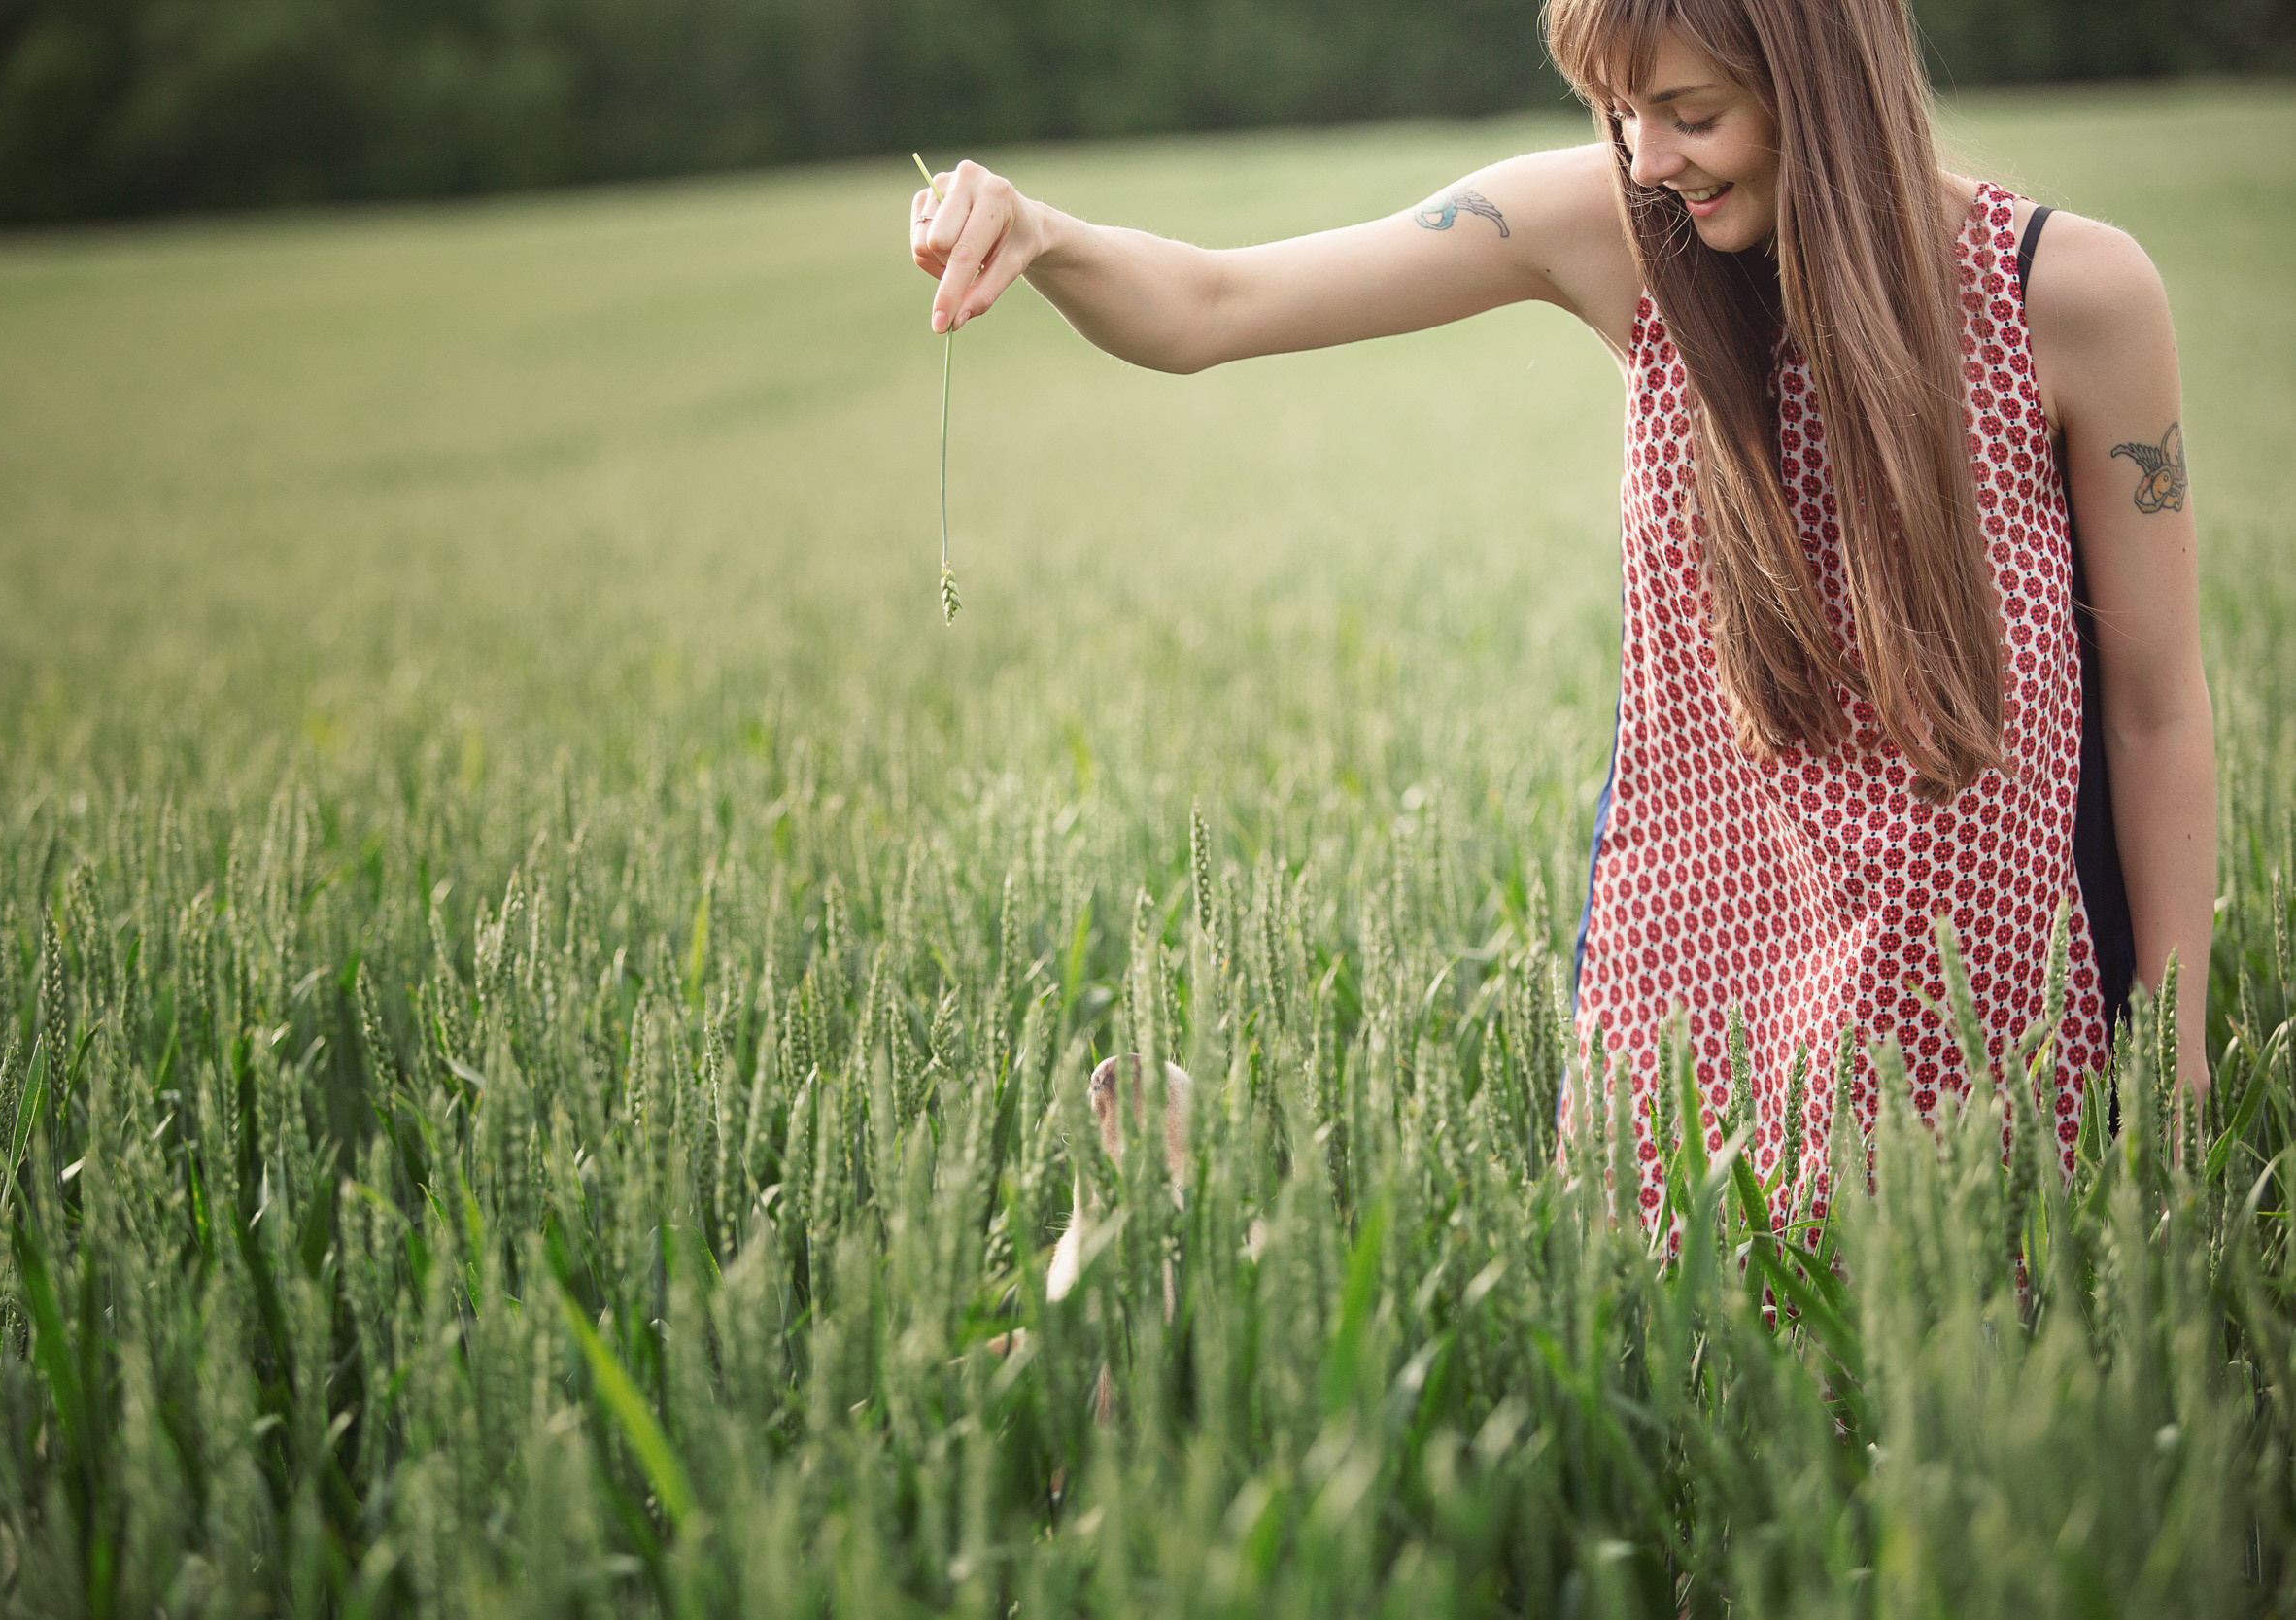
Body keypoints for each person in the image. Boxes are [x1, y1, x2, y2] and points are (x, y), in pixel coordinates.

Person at [906, 0, 2213, 1207]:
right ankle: (1201, 1248)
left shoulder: (2075, 299)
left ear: (1825, 82)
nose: (1647, 159)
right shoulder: (1622, 238)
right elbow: (1214, 304)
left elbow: (2158, 715)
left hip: (1985, 985)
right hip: (1698, 971)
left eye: (1692, 114)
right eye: (1620, 110)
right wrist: (1045, 234)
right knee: (1663, 1378)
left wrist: (2181, 1062)